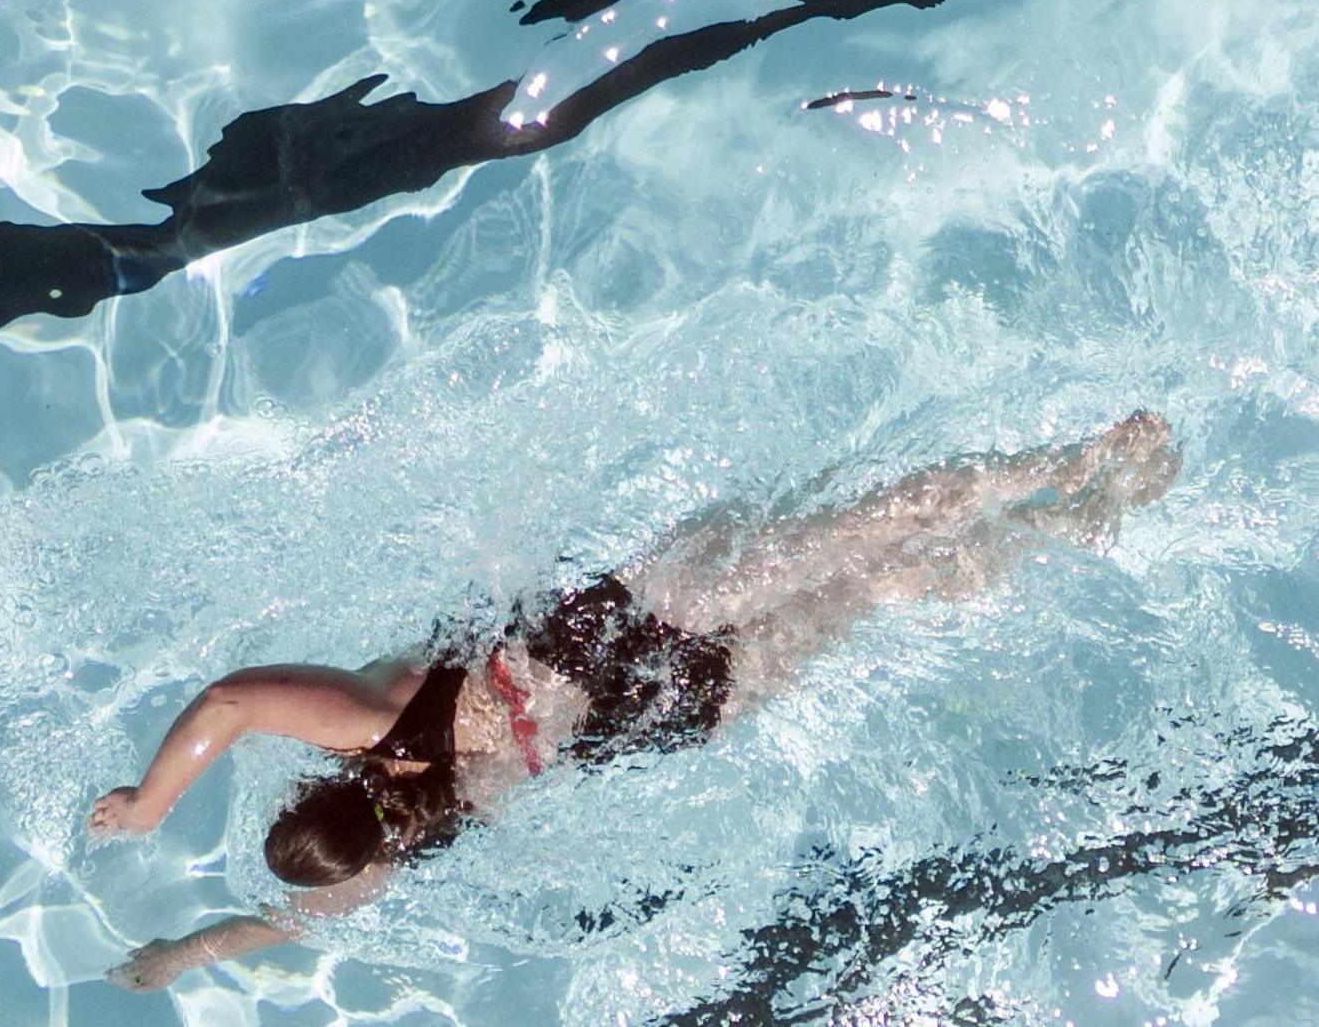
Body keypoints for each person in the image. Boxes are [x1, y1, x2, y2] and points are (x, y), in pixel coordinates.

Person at [89, 411, 1182, 991]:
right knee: (874, 548)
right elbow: (231, 705)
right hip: (644, 653)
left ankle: (1067, 498)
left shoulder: (386, 813)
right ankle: (1072, 479)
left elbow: (271, 926)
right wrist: (147, 803)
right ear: (319, 792)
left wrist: (177, 952)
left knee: (875, 570)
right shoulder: (371, 729)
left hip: (670, 685)